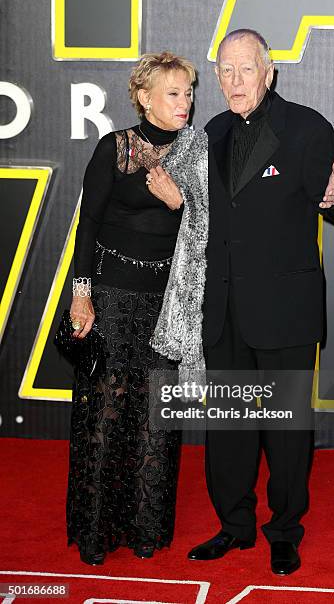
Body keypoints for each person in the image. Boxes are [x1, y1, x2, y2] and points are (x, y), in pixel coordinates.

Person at [186, 29, 334, 574]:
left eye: (246, 69)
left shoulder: (307, 129)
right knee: (230, 429)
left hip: (285, 313)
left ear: (269, 73)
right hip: (225, 313)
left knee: (288, 432)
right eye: (224, 70)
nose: (234, 80)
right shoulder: (211, 132)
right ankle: (235, 526)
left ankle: (284, 530)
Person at [67, 51, 208, 566]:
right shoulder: (114, 149)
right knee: (105, 409)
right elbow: (87, 228)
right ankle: (97, 532)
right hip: (111, 297)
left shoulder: (197, 154)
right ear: (145, 98)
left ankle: (146, 529)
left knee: (155, 418)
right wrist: (82, 295)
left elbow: (214, 225)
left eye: (189, 92)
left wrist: (181, 202)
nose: (185, 102)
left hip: (167, 306)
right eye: (174, 93)